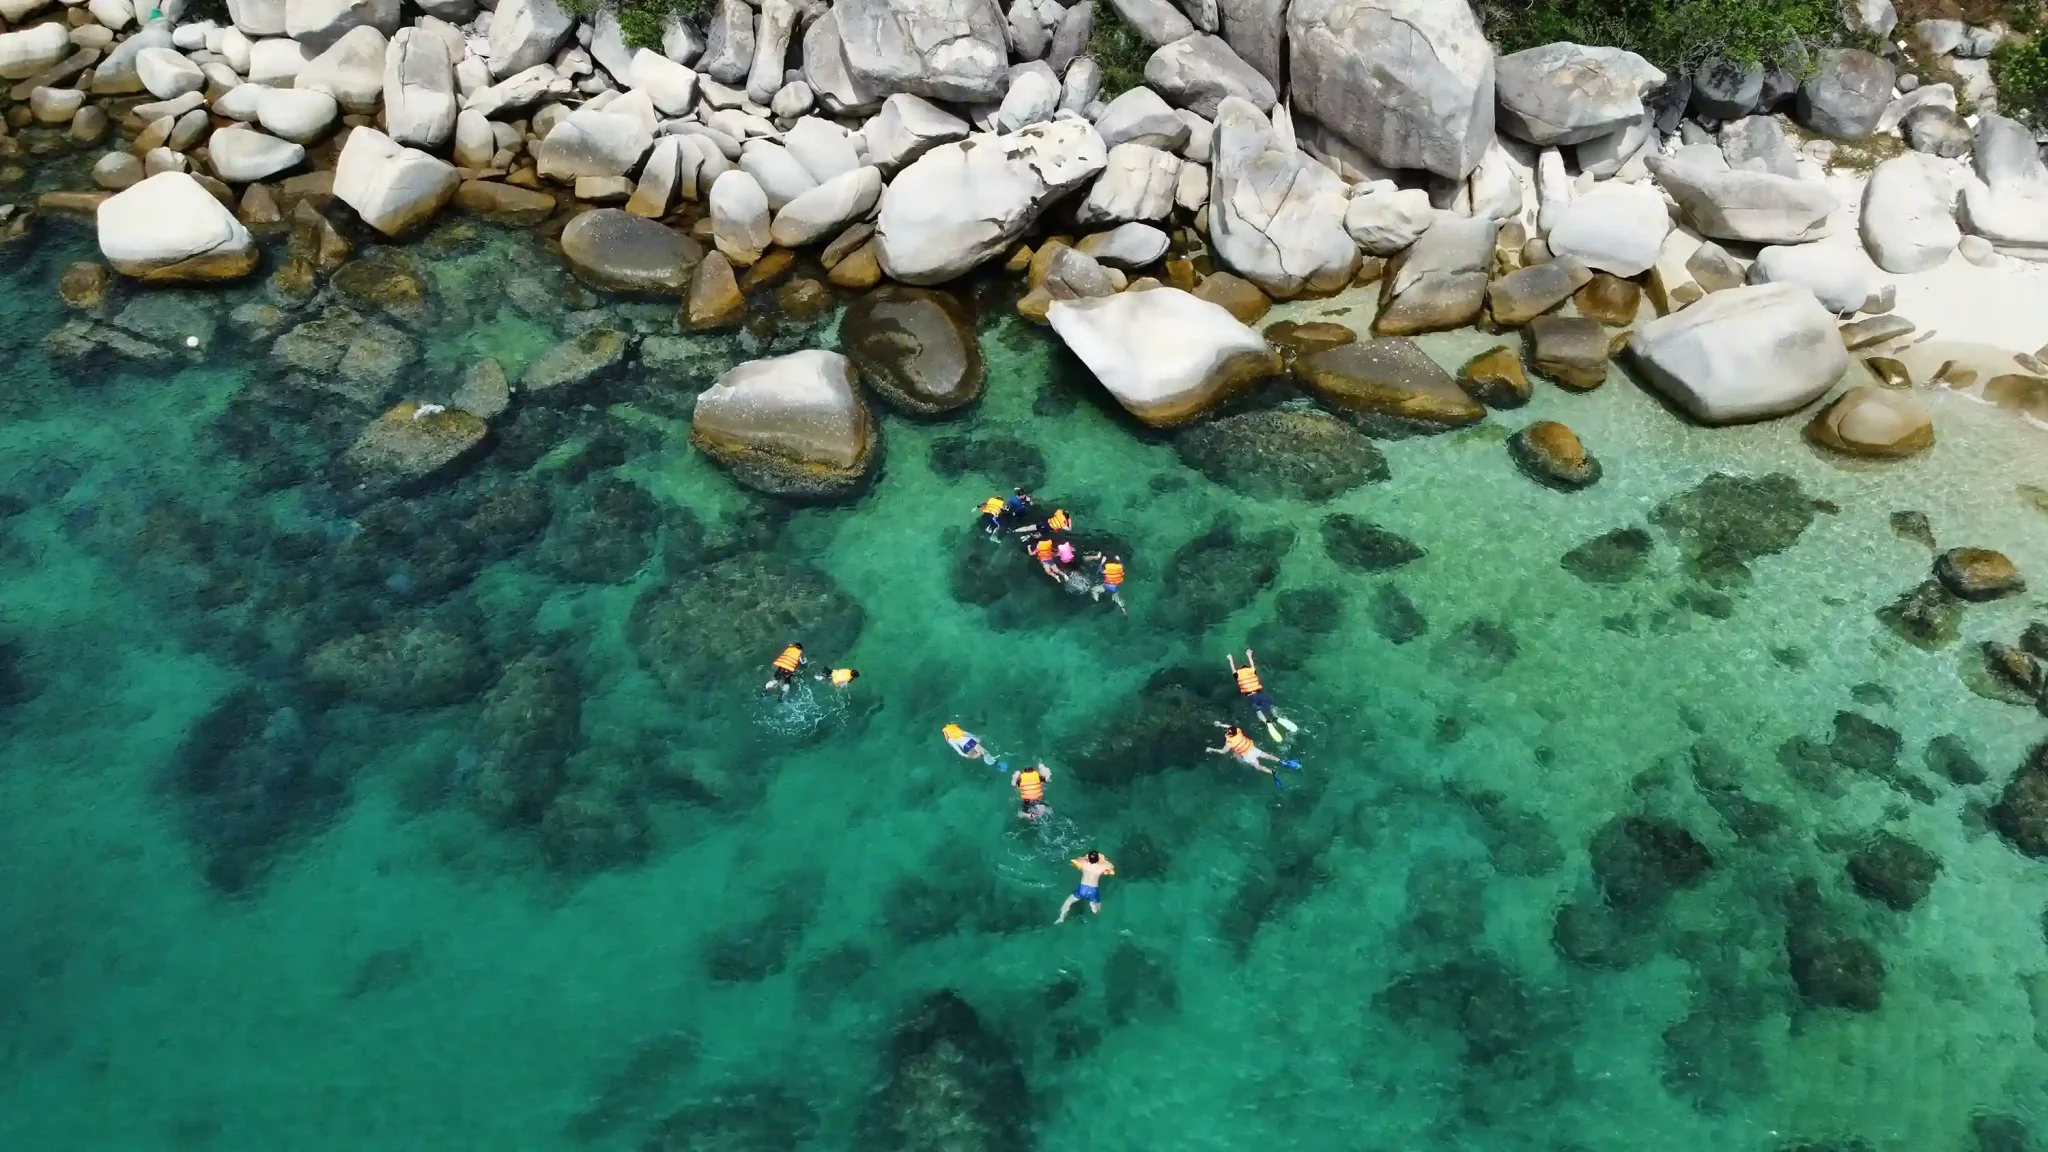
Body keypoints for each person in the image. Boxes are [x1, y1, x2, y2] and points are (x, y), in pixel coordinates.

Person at [1228, 650, 1300, 744]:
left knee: (1258, 711)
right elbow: (1252, 665)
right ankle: (1277, 717)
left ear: (1240, 670)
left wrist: (1230, 659)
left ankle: (1267, 722)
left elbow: (1233, 669)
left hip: (1251, 696)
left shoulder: (1237, 675)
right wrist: (1249, 655)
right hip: (1261, 694)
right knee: (1270, 707)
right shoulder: (1252, 671)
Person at [1208, 722, 1294, 777]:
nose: (1226, 732)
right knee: (1268, 756)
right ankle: (1281, 761)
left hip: (1247, 755)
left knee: (1258, 766)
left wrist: (1211, 749)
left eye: (1227, 732)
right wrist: (1219, 724)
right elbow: (1230, 726)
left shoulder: (1230, 743)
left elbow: (1223, 751)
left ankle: (1272, 772)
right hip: (1253, 749)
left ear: (1229, 734)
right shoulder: (1237, 731)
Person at [1057, 851, 1116, 923]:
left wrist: (1085, 858)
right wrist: (1103, 860)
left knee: (1068, 902)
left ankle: (1061, 917)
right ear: (1098, 859)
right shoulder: (1102, 866)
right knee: (1098, 908)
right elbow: (1111, 866)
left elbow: (1078, 859)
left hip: (1082, 889)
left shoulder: (1084, 864)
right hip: (1093, 890)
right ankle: (1093, 907)